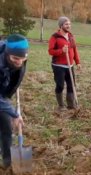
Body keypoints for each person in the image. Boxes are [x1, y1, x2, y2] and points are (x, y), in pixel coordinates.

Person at [0, 34, 28, 168]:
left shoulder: (20, 59)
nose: (19, 61)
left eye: (22, 58)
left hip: (2, 94)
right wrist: (15, 114)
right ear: (6, 54)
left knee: (6, 125)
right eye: (15, 58)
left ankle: (7, 161)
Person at [48, 16, 81, 112]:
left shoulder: (71, 36)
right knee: (60, 85)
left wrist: (77, 62)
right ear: (61, 25)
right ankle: (61, 105)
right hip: (58, 66)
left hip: (70, 65)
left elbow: (74, 49)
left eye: (69, 24)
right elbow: (50, 51)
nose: (68, 26)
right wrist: (61, 51)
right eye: (66, 24)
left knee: (71, 85)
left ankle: (71, 104)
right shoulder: (55, 37)